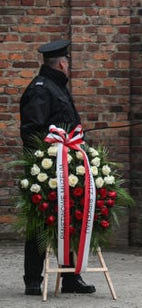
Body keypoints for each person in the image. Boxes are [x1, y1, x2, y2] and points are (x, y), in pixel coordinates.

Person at [19, 40, 95, 295]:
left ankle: (70, 278)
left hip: (65, 165)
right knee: (41, 222)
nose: (69, 65)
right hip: (48, 168)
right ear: (62, 63)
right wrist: (50, 157)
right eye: (68, 61)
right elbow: (32, 131)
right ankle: (32, 279)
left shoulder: (56, 87)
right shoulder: (42, 89)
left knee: (69, 221)